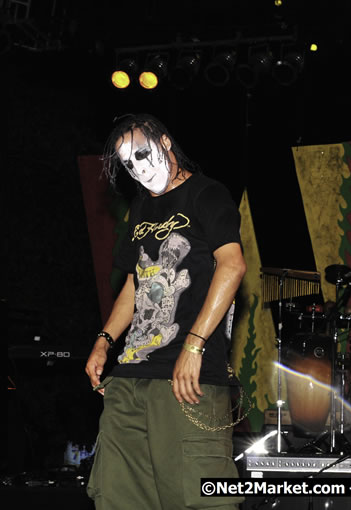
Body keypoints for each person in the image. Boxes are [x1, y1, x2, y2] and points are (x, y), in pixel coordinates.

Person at [84, 114, 246, 510]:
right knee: (117, 497)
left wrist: (194, 346)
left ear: (166, 143)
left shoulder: (206, 194)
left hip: (185, 379)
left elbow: (233, 265)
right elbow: (135, 283)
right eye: (127, 163)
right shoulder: (140, 208)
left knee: (197, 498)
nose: (138, 167)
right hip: (129, 377)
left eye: (143, 152)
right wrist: (104, 341)